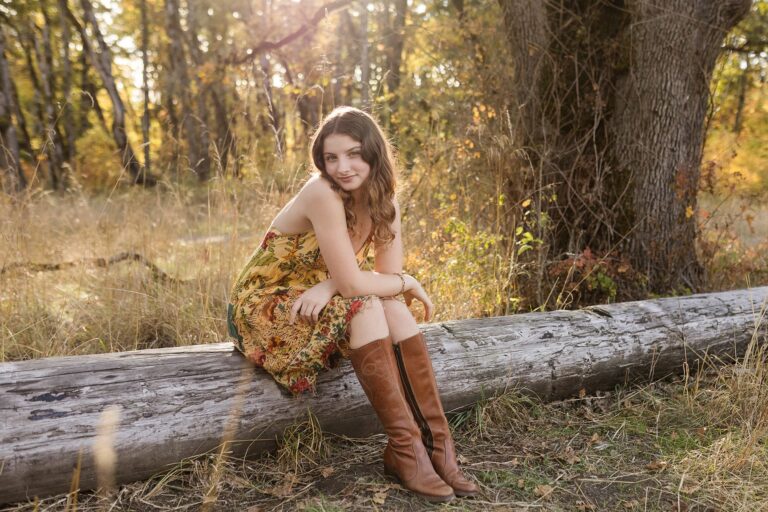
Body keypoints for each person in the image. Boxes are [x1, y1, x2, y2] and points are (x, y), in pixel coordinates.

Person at [227, 106, 478, 502]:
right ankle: (407, 449)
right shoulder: (322, 193)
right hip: (266, 301)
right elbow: (374, 283)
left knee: (392, 307)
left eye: (353, 154)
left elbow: (384, 285)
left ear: (374, 153)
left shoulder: (386, 204)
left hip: (319, 295)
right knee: (367, 305)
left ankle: (437, 447)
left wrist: (333, 285)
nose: (342, 167)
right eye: (331, 157)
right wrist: (407, 281)